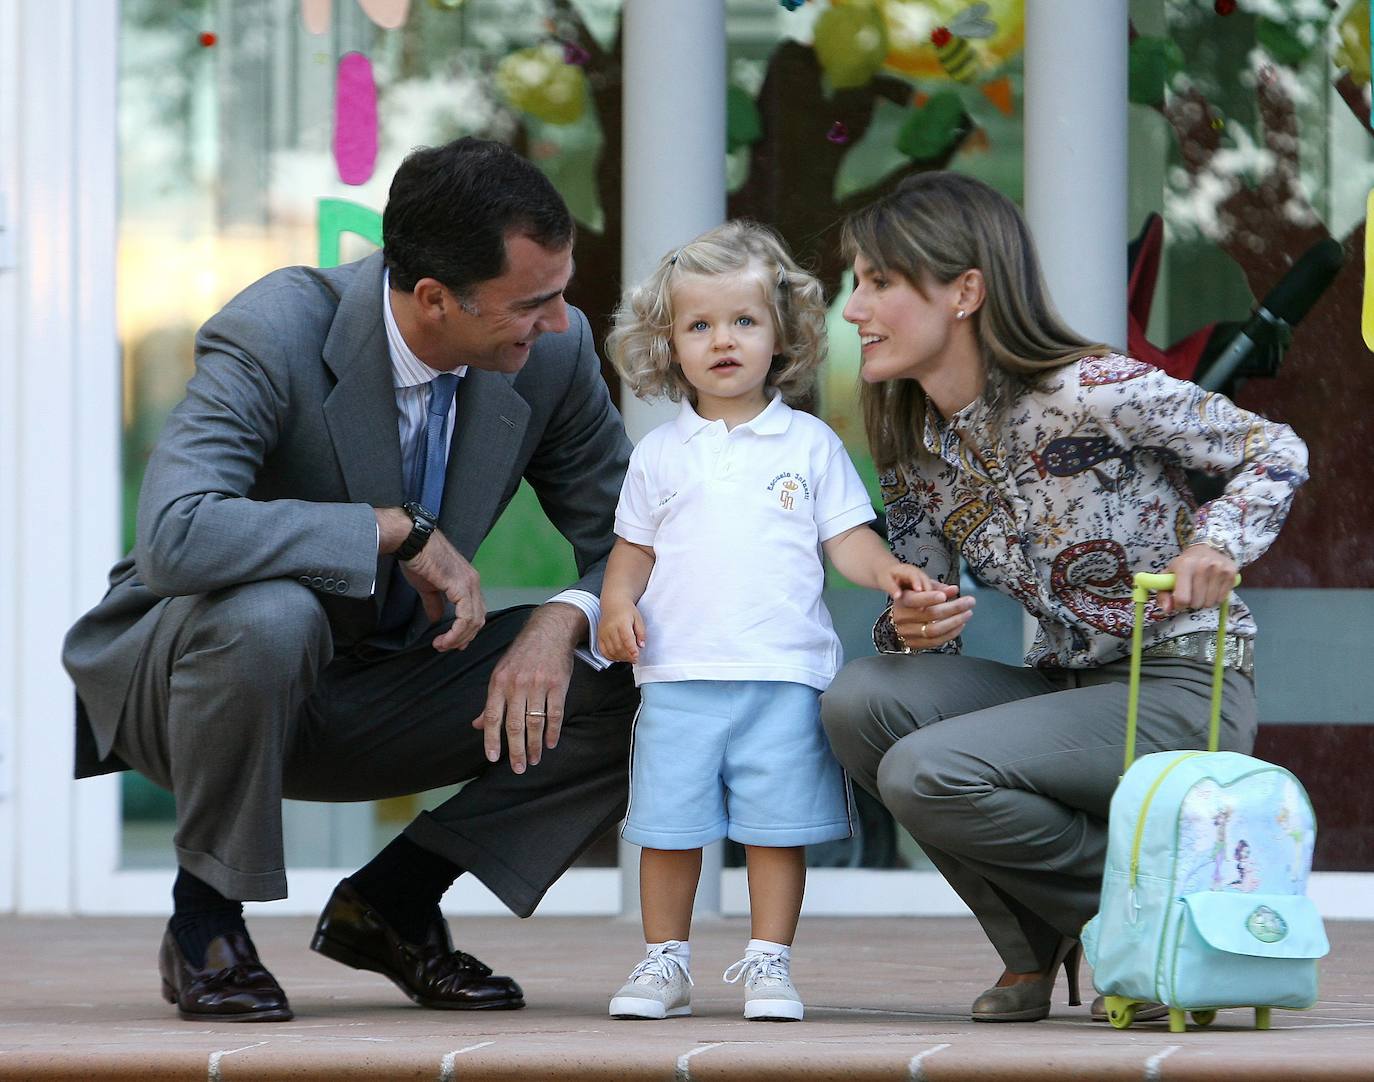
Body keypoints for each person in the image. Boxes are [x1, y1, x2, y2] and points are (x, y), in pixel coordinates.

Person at [61, 137, 639, 1022]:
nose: (558, 322)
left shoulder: (554, 359)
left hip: (381, 684)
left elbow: (634, 540)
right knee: (273, 616)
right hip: (195, 680)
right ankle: (204, 923)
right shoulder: (278, 328)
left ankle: (395, 903)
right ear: (435, 299)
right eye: (533, 303)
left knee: (638, 672)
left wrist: (563, 617)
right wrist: (392, 532)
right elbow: (175, 534)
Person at [819, 172, 1308, 1023]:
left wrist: (1215, 543)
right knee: (861, 701)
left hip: (1180, 688)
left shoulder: (1089, 390)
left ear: (966, 291)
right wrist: (910, 622)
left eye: (880, 282)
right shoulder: (912, 439)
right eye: (855, 283)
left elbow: (1274, 448)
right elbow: (922, 613)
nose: (854, 309)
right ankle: (1039, 945)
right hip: (1061, 690)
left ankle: (1154, 929)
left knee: (925, 771)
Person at [597, 221, 931, 1022]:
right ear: (667, 343)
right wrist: (614, 605)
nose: (722, 341)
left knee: (775, 831)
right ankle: (664, 962)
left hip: (782, 673)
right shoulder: (658, 455)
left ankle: (769, 962)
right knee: (669, 830)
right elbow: (632, 551)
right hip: (678, 674)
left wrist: (885, 571)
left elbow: (847, 539)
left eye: (743, 321)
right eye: (699, 325)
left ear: (782, 333)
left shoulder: (810, 445)